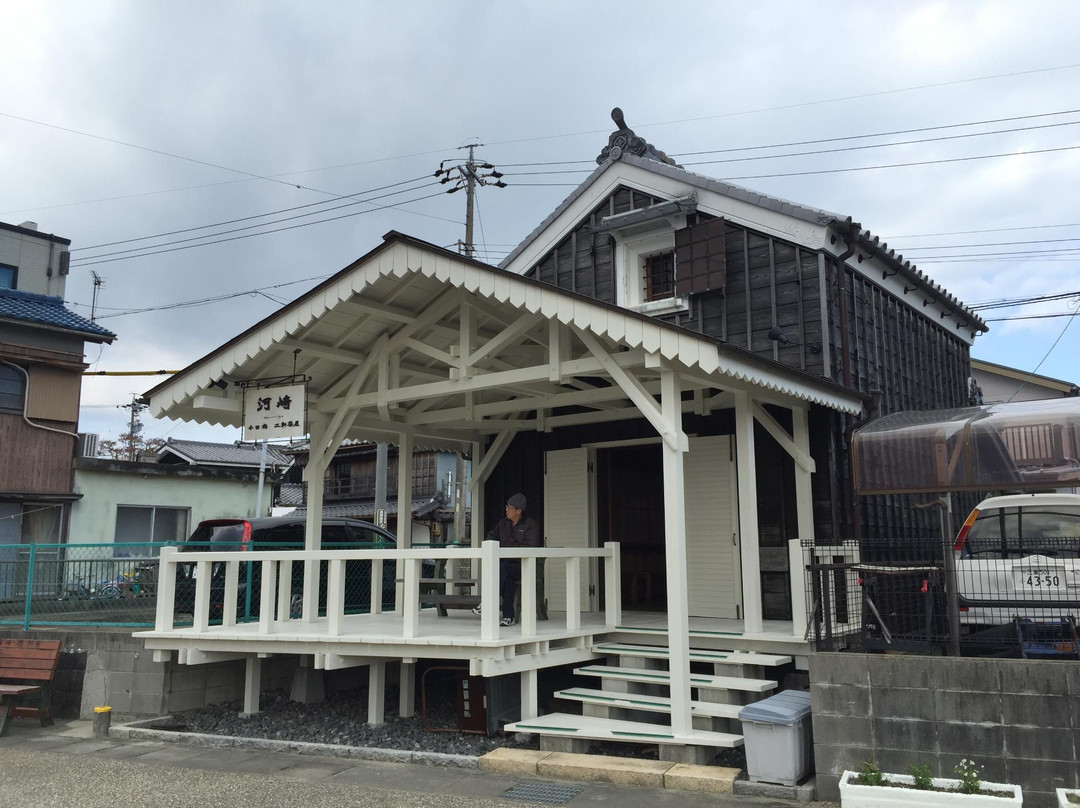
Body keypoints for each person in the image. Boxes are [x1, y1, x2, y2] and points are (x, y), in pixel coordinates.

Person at [472, 493, 540, 626]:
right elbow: (492, 536)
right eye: (506, 506)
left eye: (510, 507)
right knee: (507, 577)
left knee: (503, 570)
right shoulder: (503, 523)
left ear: (519, 511)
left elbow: (530, 547)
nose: (506, 510)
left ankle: (487, 603)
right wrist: (489, 545)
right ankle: (508, 617)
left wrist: (509, 548)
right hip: (506, 565)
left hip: (524, 566)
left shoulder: (530, 525)